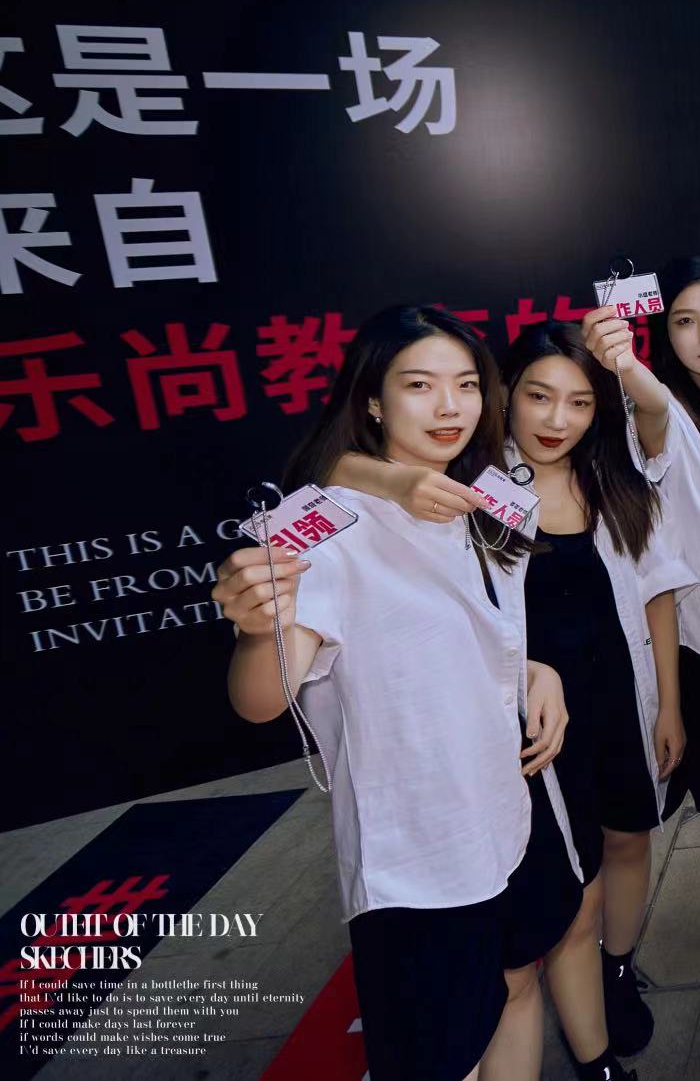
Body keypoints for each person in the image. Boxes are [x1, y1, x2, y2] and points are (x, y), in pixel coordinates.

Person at [210, 305, 580, 1081]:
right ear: (372, 401)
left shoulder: (480, 500)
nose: (450, 406)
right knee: (440, 1053)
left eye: (467, 385)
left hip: (506, 812)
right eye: (419, 385)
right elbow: (260, 700)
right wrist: (257, 630)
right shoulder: (324, 528)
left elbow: (477, 636)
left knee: (516, 984)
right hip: (419, 854)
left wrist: (532, 673)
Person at [325, 323, 695, 1074]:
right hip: (527, 728)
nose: (557, 420)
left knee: (629, 841)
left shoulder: (617, 482)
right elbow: (333, 468)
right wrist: (394, 482)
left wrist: (669, 705)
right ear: (505, 396)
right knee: (568, 892)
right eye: (538, 396)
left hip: (616, 701)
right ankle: (589, 1038)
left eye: (580, 402)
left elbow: (658, 594)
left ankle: (616, 971)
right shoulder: (472, 479)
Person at [585, 256, 700, 1075]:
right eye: (685, 322)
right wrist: (623, 363)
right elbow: (651, 403)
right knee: (681, 837)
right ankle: (692, 997)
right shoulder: (666, 417)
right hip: (699, 664)